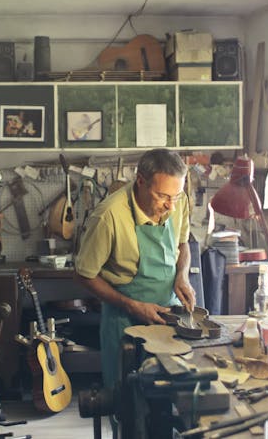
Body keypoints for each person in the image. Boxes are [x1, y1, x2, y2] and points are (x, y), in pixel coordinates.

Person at [74, 148, 196, 389]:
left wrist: (181, 275)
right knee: (128, 401)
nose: (170, 207)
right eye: (162, 196)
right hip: (125, 321)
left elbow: (183, 244)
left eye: (176, 196)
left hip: (169, 316)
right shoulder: (108, 216)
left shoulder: (176, 202)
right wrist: (131, 305)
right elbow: (84, 275)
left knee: (172, 394)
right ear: (141, 181)